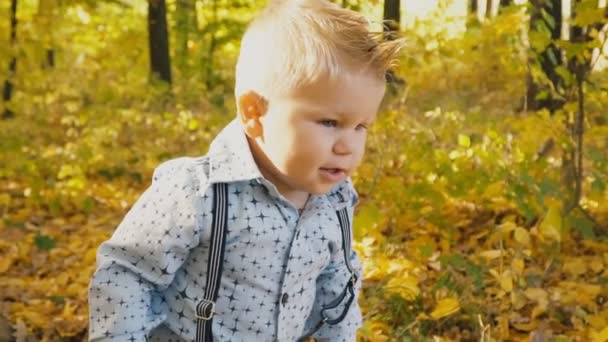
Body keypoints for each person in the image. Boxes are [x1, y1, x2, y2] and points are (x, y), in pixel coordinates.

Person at [88, 0, 402, 341]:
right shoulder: (197, 193)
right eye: (330, 122)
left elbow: (337, 283)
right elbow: (127, 274)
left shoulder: (336, 200)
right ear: (254, 113)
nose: (348, 146)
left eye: (361, 127)